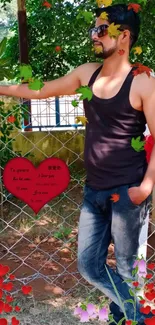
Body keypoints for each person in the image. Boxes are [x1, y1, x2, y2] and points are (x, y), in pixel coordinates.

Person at [0, 3, 155, 324]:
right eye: (93, 29)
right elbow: (40, 90)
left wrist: (146, 186)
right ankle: (132, 312)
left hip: (129, 190)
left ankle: (125, 316)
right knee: (88, 264)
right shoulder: (87, 73)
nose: (93, 36)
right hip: (94, 189)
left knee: (126, 264)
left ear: (123, 36)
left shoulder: (142, 82)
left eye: (101, 30)